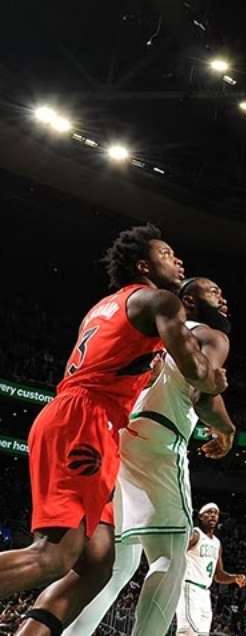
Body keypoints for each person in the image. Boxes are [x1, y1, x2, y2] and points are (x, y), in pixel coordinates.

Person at [0, 225, 226, 636]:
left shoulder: (105, 306)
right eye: (167, 253)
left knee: (98, 565)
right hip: (85, 419)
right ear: (144, 265)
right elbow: (198, 372)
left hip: (92, 423)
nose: (178, 261)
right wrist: (215, 380)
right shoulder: (162, 300)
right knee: (52, 557)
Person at [61, 277, 240, 636]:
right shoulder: (209, 335)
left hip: (121, 438)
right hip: (160, 440)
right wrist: (227, 428)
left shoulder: (150, 331)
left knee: (117, 566)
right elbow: (202, 391)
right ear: (189, 300)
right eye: (214, 292)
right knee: (170, 556)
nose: (224, 299)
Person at [174, 504, 246, 636]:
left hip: (205, 594)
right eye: (208, 512)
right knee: (188, 632)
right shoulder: (195, 534)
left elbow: (218, 575)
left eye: (216, 513)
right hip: (190, 588)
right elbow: (176, 551)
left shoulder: (217, 543)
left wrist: (234, 578)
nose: (213, 515)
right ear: (200, 517)